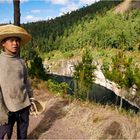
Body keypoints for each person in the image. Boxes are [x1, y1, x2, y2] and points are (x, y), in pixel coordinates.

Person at [0, 24, 34, 139]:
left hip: (24, 105)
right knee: (4, 136)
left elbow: (26, 82)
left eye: (17, 41)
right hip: (7, 108)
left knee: (22, 135)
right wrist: (1, 112)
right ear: (3, 43)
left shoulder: (21, 61)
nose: (15, 43)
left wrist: (31, 98)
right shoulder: (0, 62)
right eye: (11, 40)